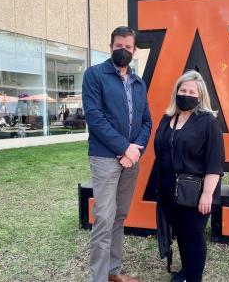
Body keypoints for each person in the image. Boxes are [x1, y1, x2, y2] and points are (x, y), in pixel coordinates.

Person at [83, 26, 152, 282]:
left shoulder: (138, 83)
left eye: (128, 47)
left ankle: (113, 272)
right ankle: (98, 278)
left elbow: (147, 122)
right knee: (103, 218)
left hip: (131, 159)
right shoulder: (94, 75)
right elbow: (95, 117)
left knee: (120, 215)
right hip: (104, 157)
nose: (123, 50)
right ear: (110, 47)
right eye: (118, 46)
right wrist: (125, 148)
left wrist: (133, 152)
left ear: (134, 51)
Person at [153, 70, 224, 282]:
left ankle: (193, 278)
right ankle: (185, 272)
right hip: (168, 190)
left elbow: (215, 162)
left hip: (194, 193)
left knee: (193, 238)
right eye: (182, 89)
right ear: (176, 92)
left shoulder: (208, 122)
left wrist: (207, 194)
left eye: (192, 91)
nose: (186, 94)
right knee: (181, 234)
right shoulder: (167, 118)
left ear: (200, 96)